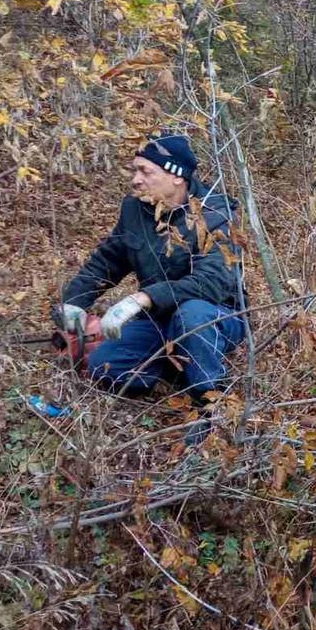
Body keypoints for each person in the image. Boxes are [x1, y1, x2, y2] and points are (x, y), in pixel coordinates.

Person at [54, 134, 246, 443]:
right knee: (106, 367)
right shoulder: (135, 210)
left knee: (193, 314)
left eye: (145, 172)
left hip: (218, 314)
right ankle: (176, 369)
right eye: (134, 171)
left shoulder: (215, 213)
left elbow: (212, 283)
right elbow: (108, 260)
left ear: (176, 177)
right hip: (159, 317)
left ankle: (212, 404)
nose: (135, 180)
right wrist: (74, 302)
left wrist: (144, 297)